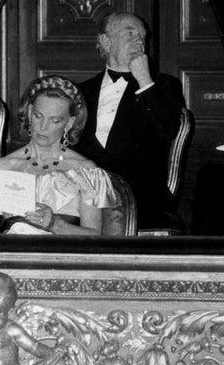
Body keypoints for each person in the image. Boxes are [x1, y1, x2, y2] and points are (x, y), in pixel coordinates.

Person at [0, 76, 120, 235]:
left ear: (69, 123)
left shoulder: (86, 171)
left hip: (59, 259)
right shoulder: (3, 167)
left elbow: (94, 237)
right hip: (11, 256)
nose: (42, 127)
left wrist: (54, 225)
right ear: (29, 113)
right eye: (38, 116)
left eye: (54, 120)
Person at [73, 12, 185, 228]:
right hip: (84, 191)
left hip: (138, 194)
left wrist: (144, 80)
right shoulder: (82, 91)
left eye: (142, 36)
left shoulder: (164, 86)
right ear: (106, 41)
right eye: (130, 34)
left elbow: (168, 131)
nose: (139, 41)